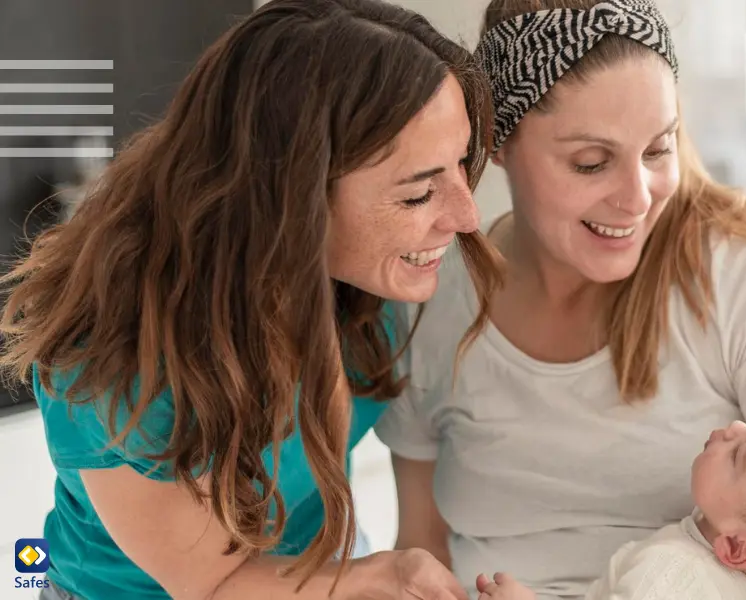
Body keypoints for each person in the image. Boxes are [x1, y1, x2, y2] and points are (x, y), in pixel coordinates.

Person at [377, 0, 746, 599]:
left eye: (659, 149)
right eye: (591, 163)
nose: (638, 198)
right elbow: (419, 550)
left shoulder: (743, 271)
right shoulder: (429, 295)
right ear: (496, 141)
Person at [0, 0, 503, 598]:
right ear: (292, 196)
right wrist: (380, 576)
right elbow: (213, 586)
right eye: (419, 194)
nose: (466, 216)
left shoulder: (368, 282)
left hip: (317, 561)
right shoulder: (116, 361)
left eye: (460, 164)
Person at [473, 418, 746, 600]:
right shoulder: (728, 578)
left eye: (742, 452)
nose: (736, 427)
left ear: (736, 547)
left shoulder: (673, 577)